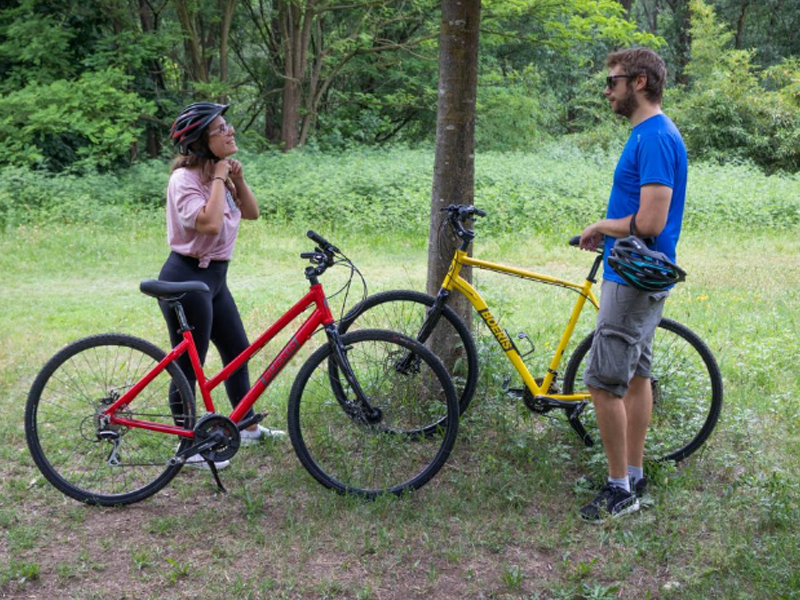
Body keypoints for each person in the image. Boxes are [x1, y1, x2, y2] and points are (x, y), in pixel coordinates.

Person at [578, 48, 687, 522]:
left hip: (632, 278)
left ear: (639, 82)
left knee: (603, 384)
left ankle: (620, 490)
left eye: (613, 81)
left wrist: (602, 225)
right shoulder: (647, 134)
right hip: (636, 275)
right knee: (638, 375)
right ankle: (634, 473)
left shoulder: (656, 137)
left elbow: (650, 220)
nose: (608, 90)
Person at [161, 102, 286, 469]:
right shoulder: (184, 180)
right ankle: (188, 448)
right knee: (189, 366)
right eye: (221, 129)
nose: (230, 131)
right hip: (186, 280)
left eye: (227, 125)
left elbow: (251, 212)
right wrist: (217, 178)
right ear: (202, 142)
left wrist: (237, 180)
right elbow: (210, 224)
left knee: (237, 350)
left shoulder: (221, 175)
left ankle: (245, 426)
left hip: (215, 279)